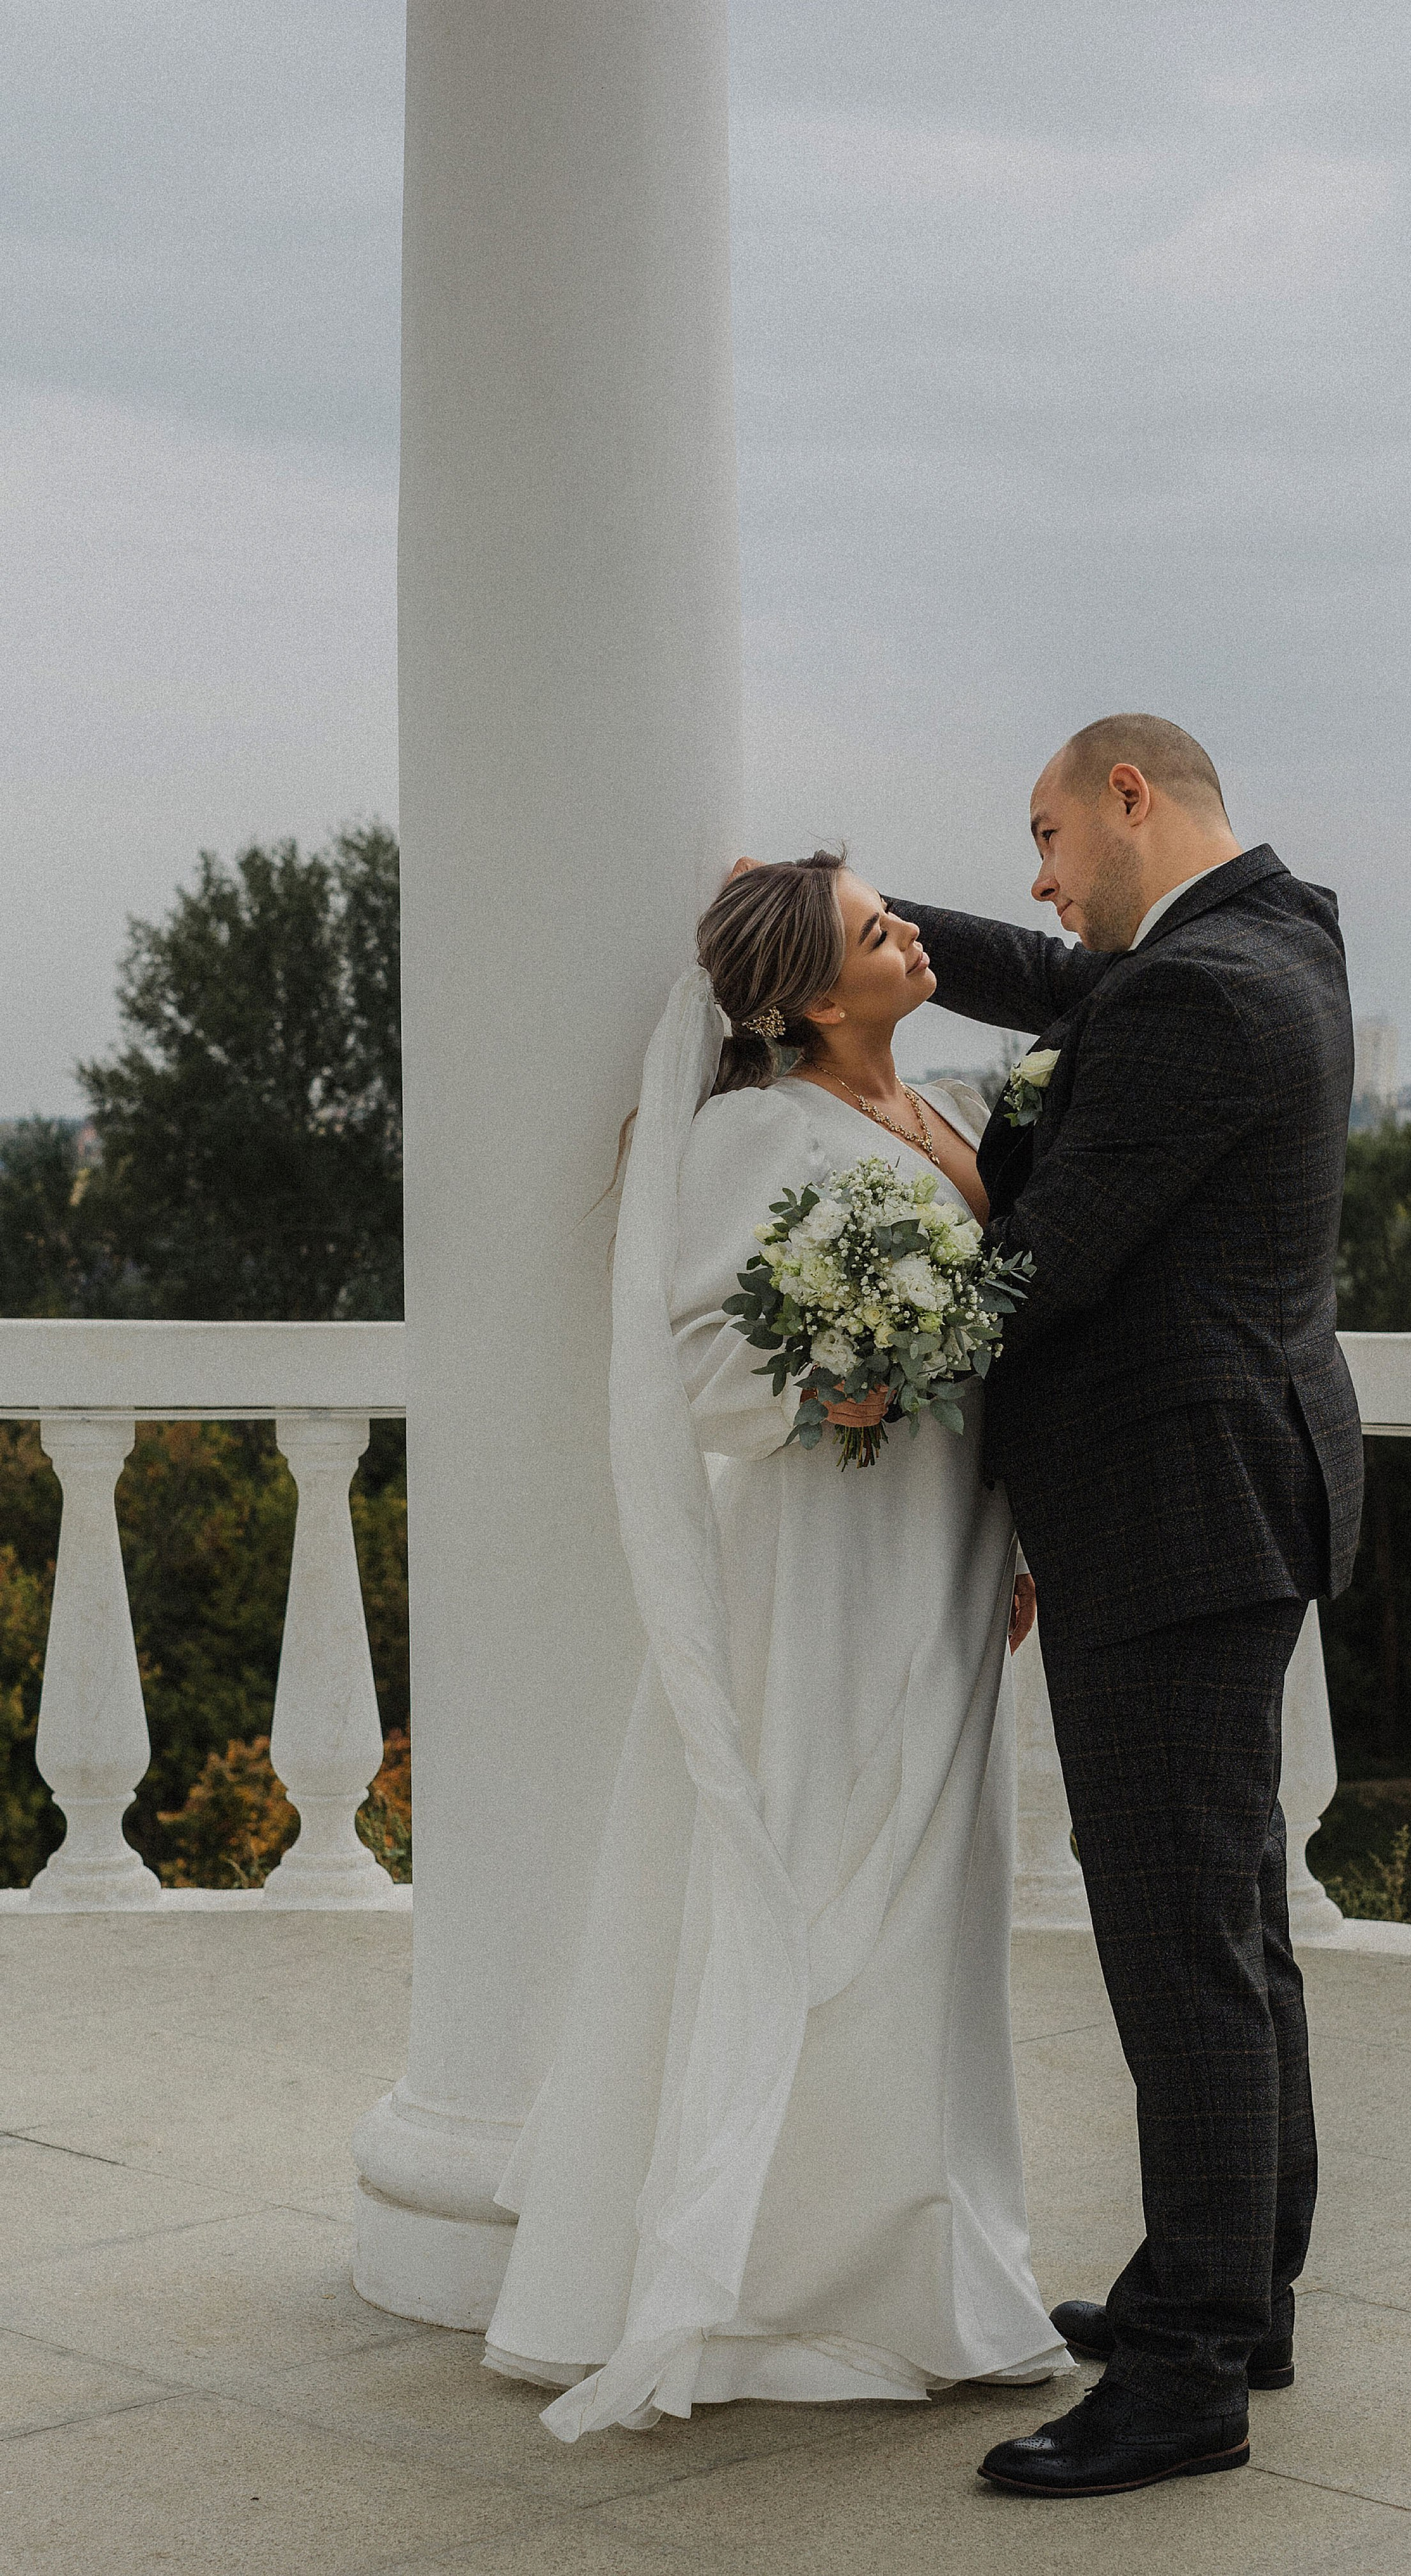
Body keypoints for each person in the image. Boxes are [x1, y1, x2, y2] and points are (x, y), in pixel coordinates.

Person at [482, 849, 1071, 2436]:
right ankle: (796, 2279)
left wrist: (1011, 1525)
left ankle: (929, 2252)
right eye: (877, 927)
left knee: (939, 1890)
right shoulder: (756, 1132)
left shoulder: (941, 1106)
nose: (911, 933)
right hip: (828, 1560)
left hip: (950, 1543)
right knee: (831, 1864)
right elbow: (698, 1362)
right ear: (810, 996)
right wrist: (842, 1384)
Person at [887, 712, 1363, 2501]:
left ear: (1129, 797)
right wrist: (859, 912)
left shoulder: (1200, 995)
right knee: (1229, 1924)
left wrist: (866, 1356)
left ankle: (1185, 2384)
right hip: (1241, 1489)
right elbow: (1048, 979)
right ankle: (1236, 2295)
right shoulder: (1276, 936)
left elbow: (1047, 1259)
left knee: (1181, 1956)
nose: (1036, 880)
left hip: (1172, 1514)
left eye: (1045, 835)